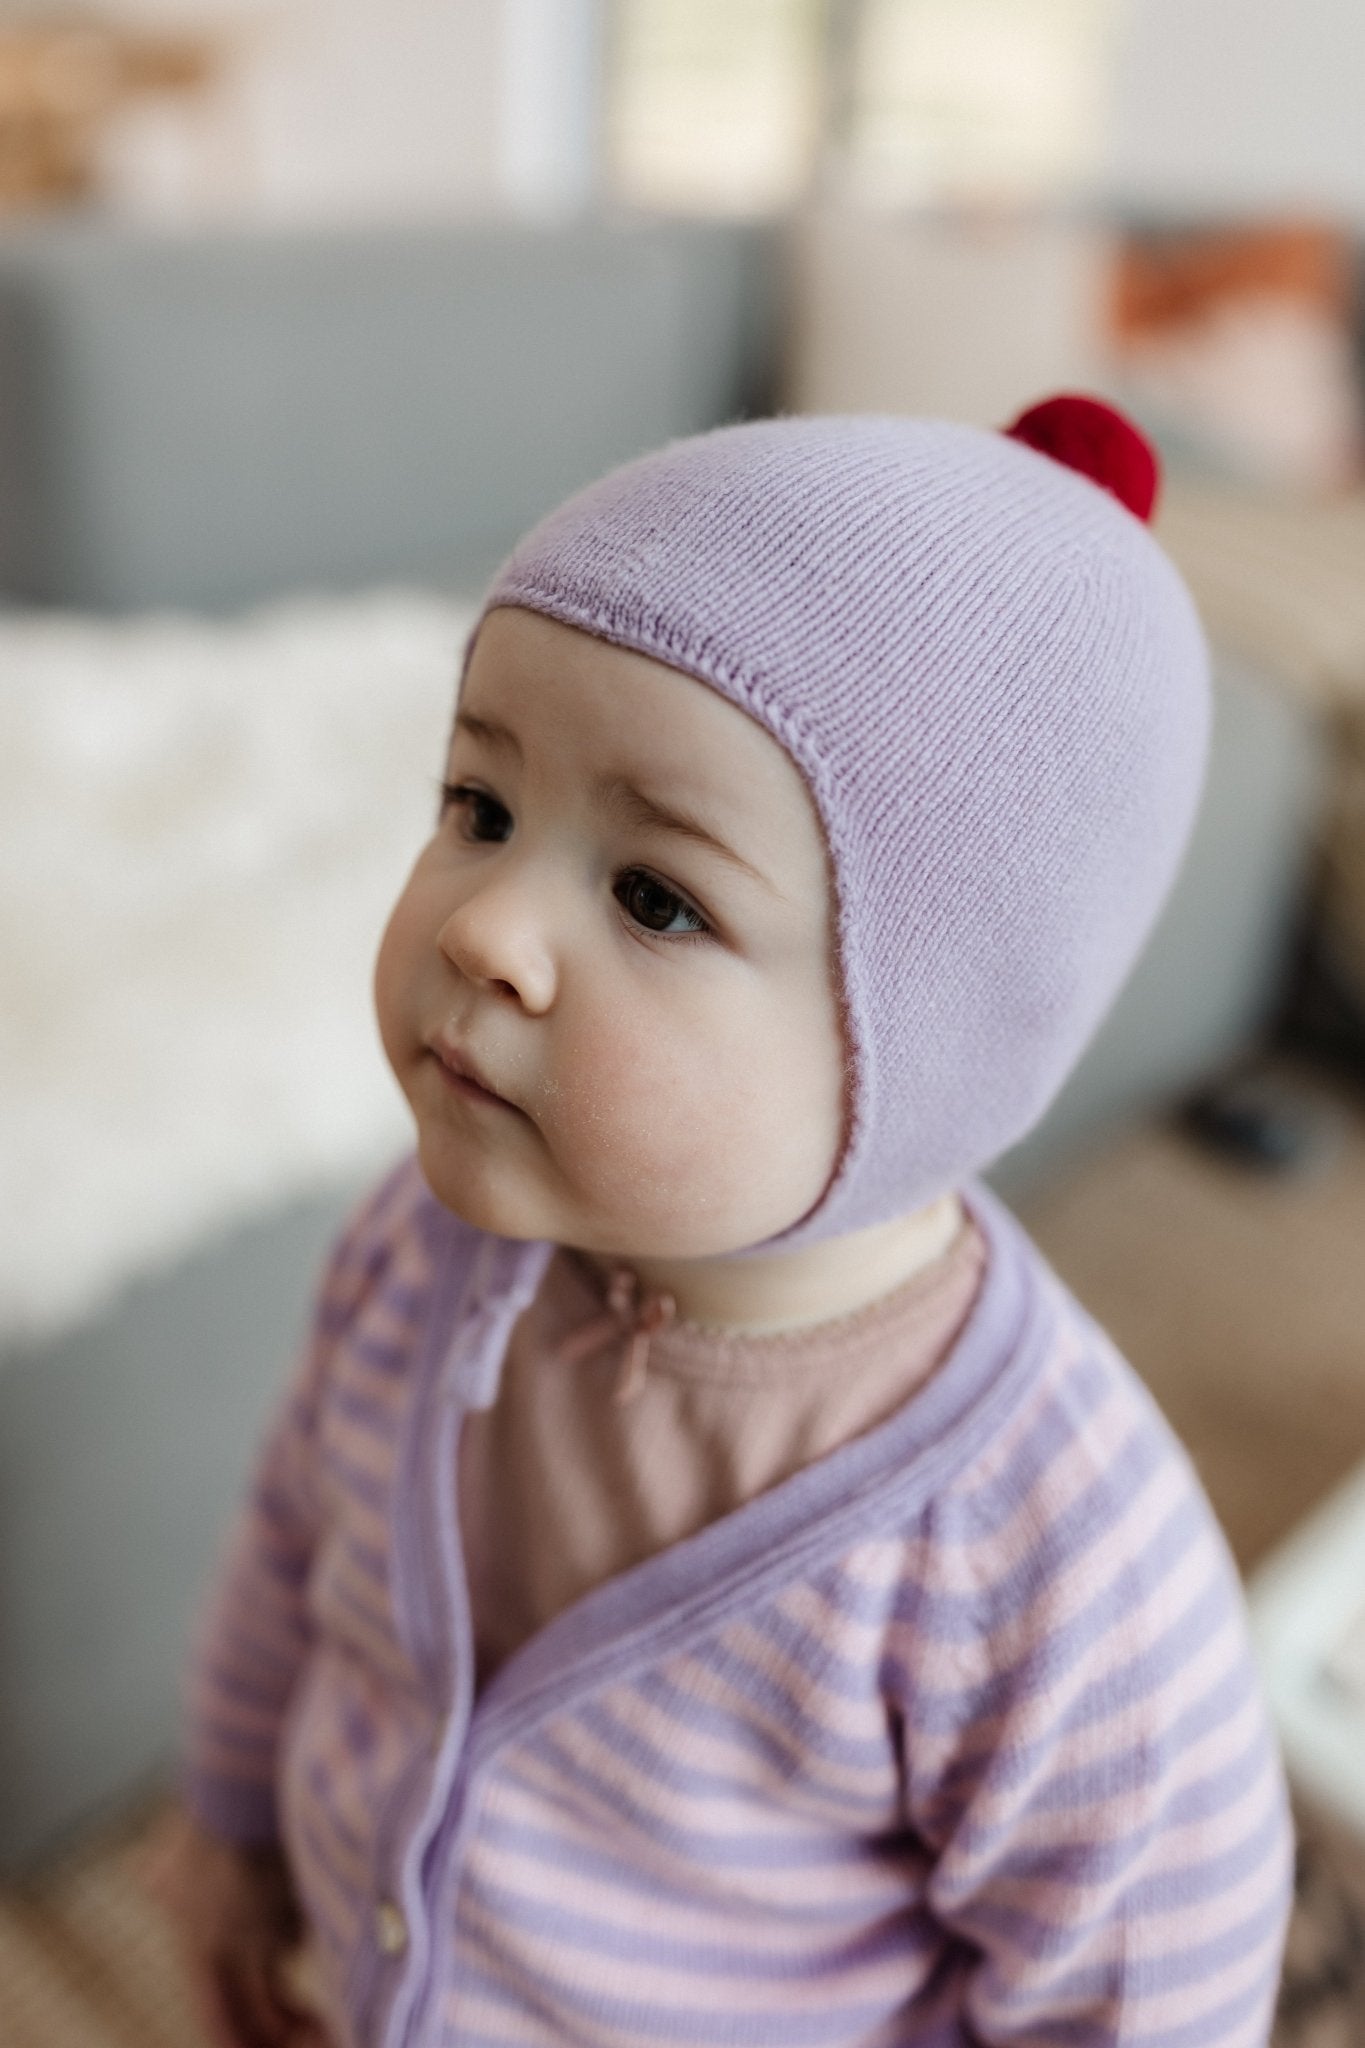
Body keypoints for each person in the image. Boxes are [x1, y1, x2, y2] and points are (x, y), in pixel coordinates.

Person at [149, 396, 1295, 2047]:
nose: (486, 930)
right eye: (479, 805)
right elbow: (290, 1546)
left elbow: (1140, 1996)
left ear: (924, 1046)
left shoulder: (1054, 1561)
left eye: (654, 896)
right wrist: (237, 1822)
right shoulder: (415, 1250)